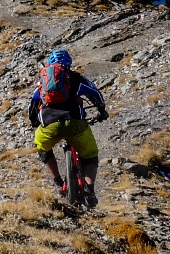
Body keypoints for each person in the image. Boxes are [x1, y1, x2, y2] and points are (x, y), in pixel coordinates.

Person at [27, 48, 109, 206]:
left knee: (42, 147)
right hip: (75, 122)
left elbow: (33, 103)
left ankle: (58, 182)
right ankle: (89, 190)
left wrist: (34, 121)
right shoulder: (76, 78)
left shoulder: (43, 82)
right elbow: (95, 93)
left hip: (49, 125)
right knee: (90, 154)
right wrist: (101, 111)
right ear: (69, 63)